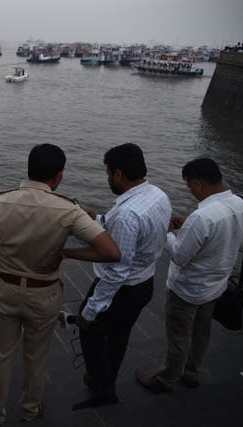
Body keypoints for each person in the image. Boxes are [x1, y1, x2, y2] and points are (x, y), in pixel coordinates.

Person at [0, 143, 121, 426]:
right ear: (58, 176)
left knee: (2, 355)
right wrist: (66, 253)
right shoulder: (68, 210)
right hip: (43, 293)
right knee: (36, 356)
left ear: (29, 169)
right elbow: (111, 252)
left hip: (6, 289)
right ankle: (30, 409)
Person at [136, 158, 243, 393]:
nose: (191, 193)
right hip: (216, 286)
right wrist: (188, 226)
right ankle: (191, 373)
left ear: (198, 184)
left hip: (187, 289)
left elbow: (179, 256)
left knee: (178, 337)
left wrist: (166, 233)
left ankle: (165, 379)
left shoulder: (202, 217)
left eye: (190, 187)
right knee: (201, 334)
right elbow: (228, 232)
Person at [72, 143, 172, 410]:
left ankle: (102, 389)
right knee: (118, 335)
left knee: (90, 333)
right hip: (144, 282)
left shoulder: (127, 214)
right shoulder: (157, 194)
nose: (107, 178)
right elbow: (139, 233)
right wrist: (102, 219)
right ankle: (105, 380)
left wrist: (90, 311)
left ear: (118, 173)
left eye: (107, 173)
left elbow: (117, 270)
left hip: (124, 289)